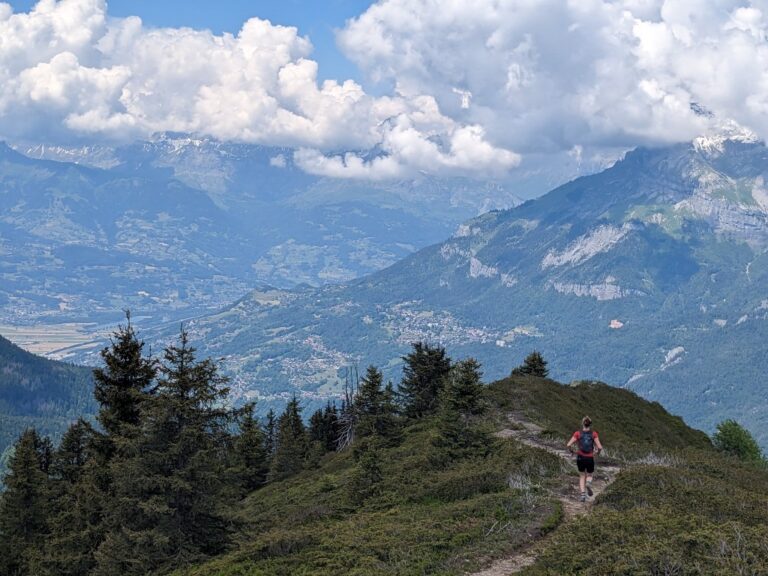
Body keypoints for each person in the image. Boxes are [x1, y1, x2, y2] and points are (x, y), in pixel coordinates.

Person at [566, 416, 603, 502]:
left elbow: (568, 445)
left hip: (580, 457)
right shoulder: (594, 434)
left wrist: (572, 451)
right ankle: (588, 484)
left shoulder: (577, 433)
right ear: (590, 424)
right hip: (589, 458)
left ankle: (583, 495)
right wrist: (597, 453)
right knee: (589, 475)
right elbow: (600, 447)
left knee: (582, 476)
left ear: (583, 423)